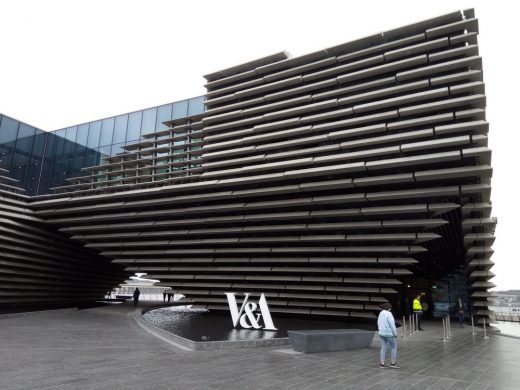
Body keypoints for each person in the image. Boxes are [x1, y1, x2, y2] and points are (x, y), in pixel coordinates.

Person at [377, 302, 400, 369]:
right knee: (394, 347)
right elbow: (392, 324)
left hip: (382, 333)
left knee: (383, 348)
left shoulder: (381, 313)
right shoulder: (389, 314)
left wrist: (380, 330)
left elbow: (378, 322)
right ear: (389, 308)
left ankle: (382, 363)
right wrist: (395, 333)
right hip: (389, 334)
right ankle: (393, 363)